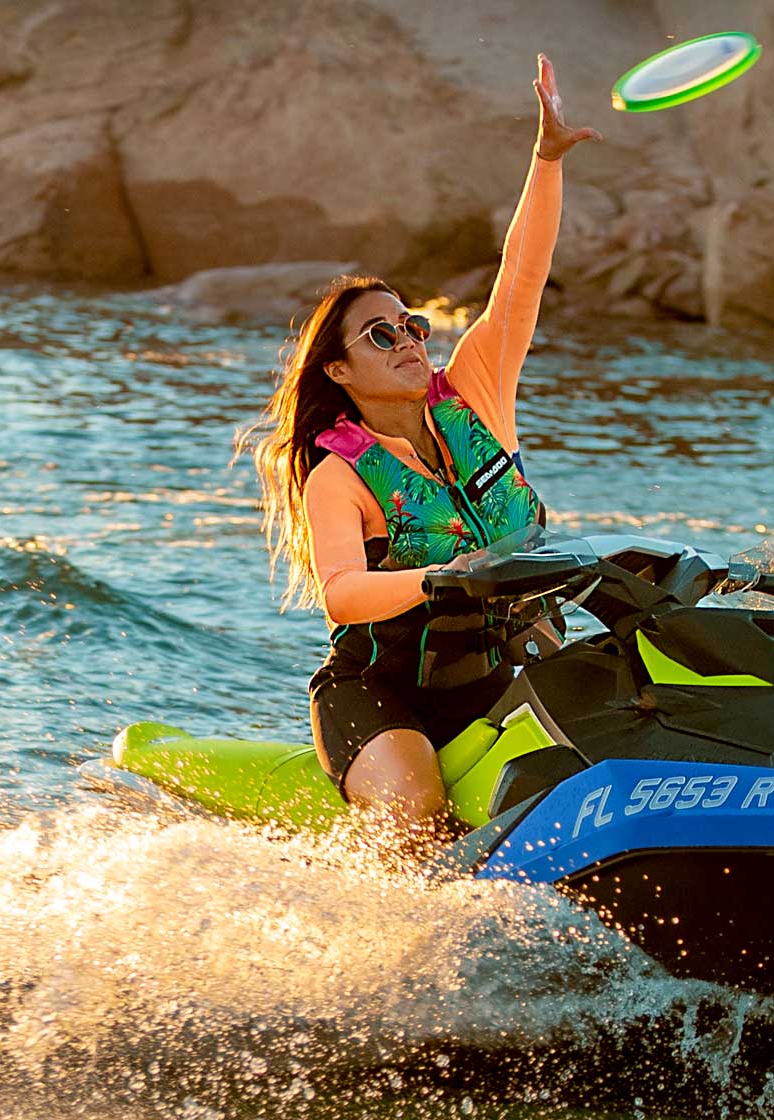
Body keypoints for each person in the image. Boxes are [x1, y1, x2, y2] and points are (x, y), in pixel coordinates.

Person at [246, 54, 595, 844]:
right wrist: (444, 576)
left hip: (499, 676)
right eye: (381, 333)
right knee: (416, 812)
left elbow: (523, 281)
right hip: (381, 694)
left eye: (412, 326)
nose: (407, 341)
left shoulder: (475, 397)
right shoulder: (340, 477)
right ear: (339, 370)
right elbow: (341, 593)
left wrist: (546, 161)